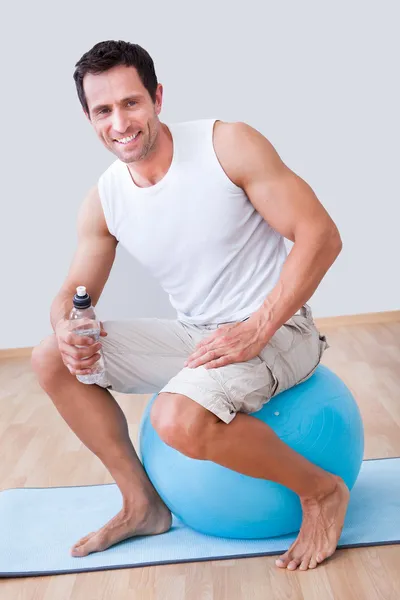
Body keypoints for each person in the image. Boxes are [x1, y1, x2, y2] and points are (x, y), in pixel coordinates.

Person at [31, 40, 349, 572]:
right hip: (197, 333)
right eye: (103, 110)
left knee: (178, 418)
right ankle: (142, 503)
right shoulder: (106, 196)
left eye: (131, 103)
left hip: (280, 328)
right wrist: (66, 325)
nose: (120, 122)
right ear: (88, 118)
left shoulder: (228, 144)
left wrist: (259, 324)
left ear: (157, 97)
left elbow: (321, 235)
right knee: (49, 356)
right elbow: (73, 290)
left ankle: (321, 491)